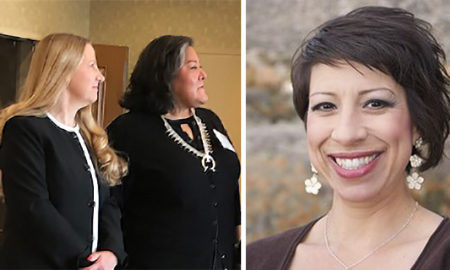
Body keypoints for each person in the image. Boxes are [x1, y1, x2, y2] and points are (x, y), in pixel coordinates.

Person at [247, 6, 450, 270]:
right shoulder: (255, 260)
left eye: (375, 103)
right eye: (326, 106)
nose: (346, 134)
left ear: (418, 122)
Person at [107, 35, 241, 269]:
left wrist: (239, 230)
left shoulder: (210, 121)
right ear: (165, 76)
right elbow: (109, 202)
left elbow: (229, 184)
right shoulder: (128, 130)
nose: (203, 74)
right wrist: (111, 252)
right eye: (193, 67)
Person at [0, 33, 127, 269]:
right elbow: (33, 207)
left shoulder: (88, 135)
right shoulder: (24, 129)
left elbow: (107, 202)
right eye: (91, 65)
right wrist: (83, 260)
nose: (100, 76)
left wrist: (112, 252)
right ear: (63, 69)